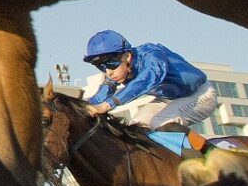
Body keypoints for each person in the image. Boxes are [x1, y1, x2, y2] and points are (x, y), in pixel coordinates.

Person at [80, 29, 218, 132]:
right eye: (101, 67)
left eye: (110, 63)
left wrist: (107, 105)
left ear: (127, 56)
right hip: (167, 100)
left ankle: (208, 153)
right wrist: (80, 108)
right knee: (136, 127)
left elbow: (146, 80)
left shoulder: (151, 55)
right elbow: (102, 94)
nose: (108, 72)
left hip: (200, 95)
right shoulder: (117, 70)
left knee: (158, 122)